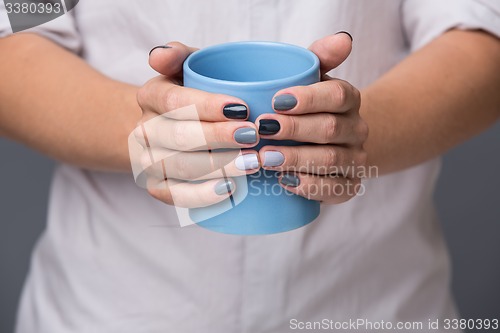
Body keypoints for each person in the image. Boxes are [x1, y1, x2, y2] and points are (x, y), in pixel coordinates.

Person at [1, 0, 499, 332]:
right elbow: (13, 28)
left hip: (372, 306)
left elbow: (483, 30)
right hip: (115, 309)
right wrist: (152, 133)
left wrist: (350, 133)